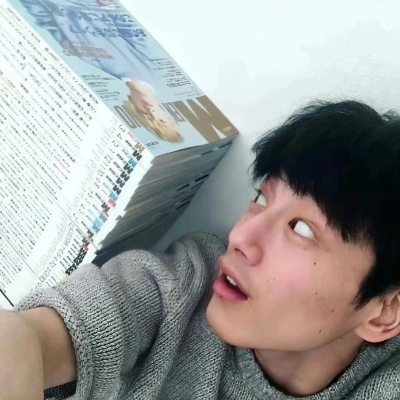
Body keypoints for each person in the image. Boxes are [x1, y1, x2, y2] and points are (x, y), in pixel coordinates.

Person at [2, 99, 400, 400]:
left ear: (386, 311)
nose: (241, 236)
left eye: (301, 229)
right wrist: (20, 341)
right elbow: (30, 337)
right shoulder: (182, 286)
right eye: (261, 199)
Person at [19, 0, 182, 142]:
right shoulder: (152, 67)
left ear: (135, 108)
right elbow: (131, 30)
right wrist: (109, 5)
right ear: (168, 114)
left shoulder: (100, 73)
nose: (151, 112)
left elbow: (48, 23)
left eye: (147, 117)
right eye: (161, 120)